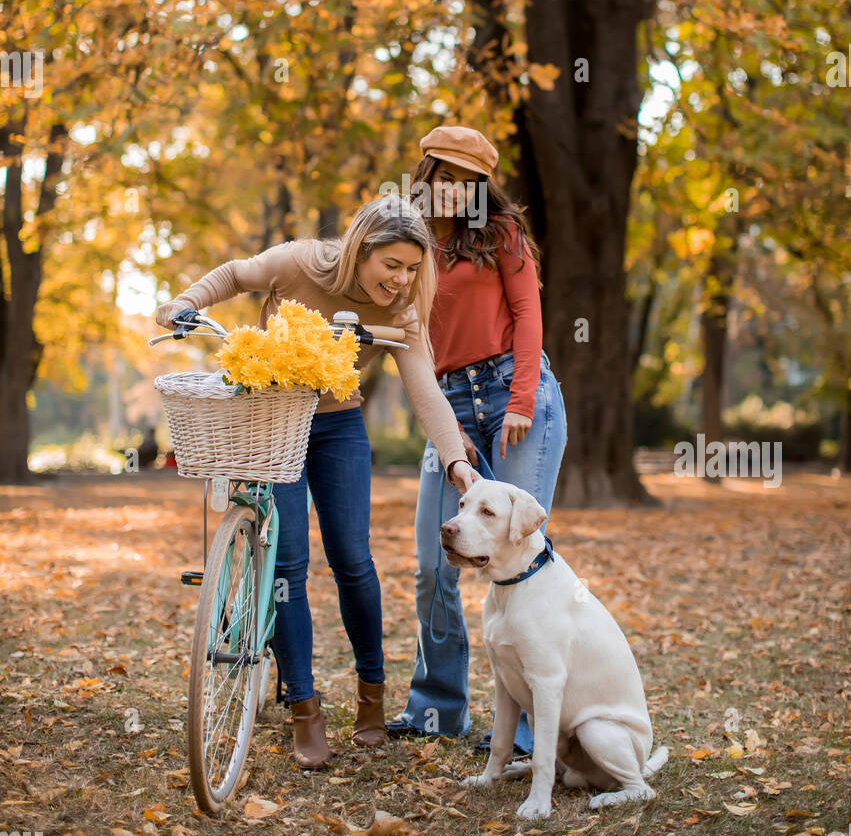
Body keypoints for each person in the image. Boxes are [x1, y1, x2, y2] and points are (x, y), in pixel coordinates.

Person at [154, 195, 482, 769]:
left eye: (412, 269)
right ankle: (305, 708)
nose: (402, 280)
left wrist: (455, 460)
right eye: (391, 266)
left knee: (353, 558)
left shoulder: (403, 312)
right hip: (271, 420)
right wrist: (185, 301)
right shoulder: (300, 262)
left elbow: (425, 390)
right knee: (287, 565)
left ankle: (371, 695)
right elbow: (236, 274)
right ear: (360, 251)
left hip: (338, 427)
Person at [386, 126, 567, 754]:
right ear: (427, 173)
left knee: (517, 552)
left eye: (468, 181)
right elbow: (409, 340)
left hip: (518, 398)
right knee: (436, 561)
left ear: (480, 187)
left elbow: (528, 317)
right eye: (445, 176)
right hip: (450, 405)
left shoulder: (501, 234)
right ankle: (438, 709)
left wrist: (519, 401)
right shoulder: (407, 244)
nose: (453, 190)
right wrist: (445, 426)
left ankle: (521, 729)